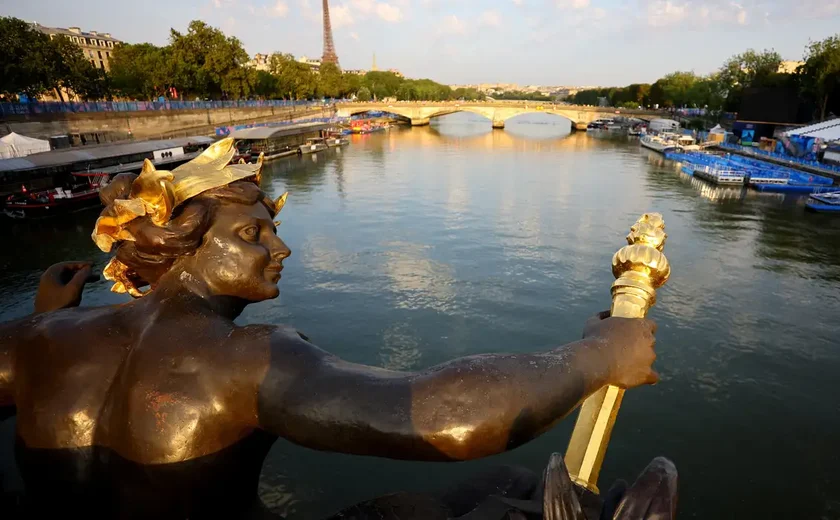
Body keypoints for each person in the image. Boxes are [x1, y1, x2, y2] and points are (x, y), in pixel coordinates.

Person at [0, 139, 658, 519]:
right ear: (184, 247)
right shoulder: (246, 359)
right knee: (497, 494)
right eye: (254, 233)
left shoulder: (37, 342)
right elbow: (447, 415)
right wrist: (597, 353)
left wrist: (46, 321)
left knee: (497, 490)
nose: (278, 250)